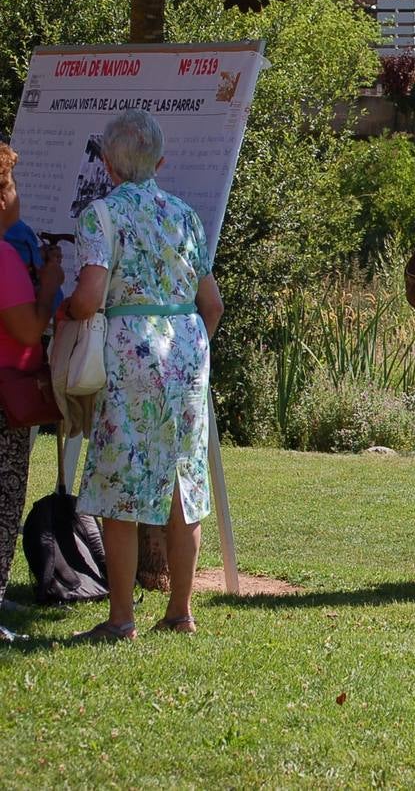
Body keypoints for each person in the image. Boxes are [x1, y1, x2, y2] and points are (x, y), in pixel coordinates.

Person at [60, 109, 223, 641]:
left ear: (107, 163)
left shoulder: (100, 216)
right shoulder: (185, 215)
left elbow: (88, 297)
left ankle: (121, 617)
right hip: (186, 351)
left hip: (130, 355)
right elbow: (212, 303)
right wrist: (192, 354)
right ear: (160, 160)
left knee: (120, 480)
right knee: (182, 479)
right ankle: (180, 610)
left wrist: (61, 315)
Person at [0, 142, 64, 643]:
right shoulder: (2, 257)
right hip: (6, 395)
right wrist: (50, 285)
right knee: (4, 500)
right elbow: (26, 329)